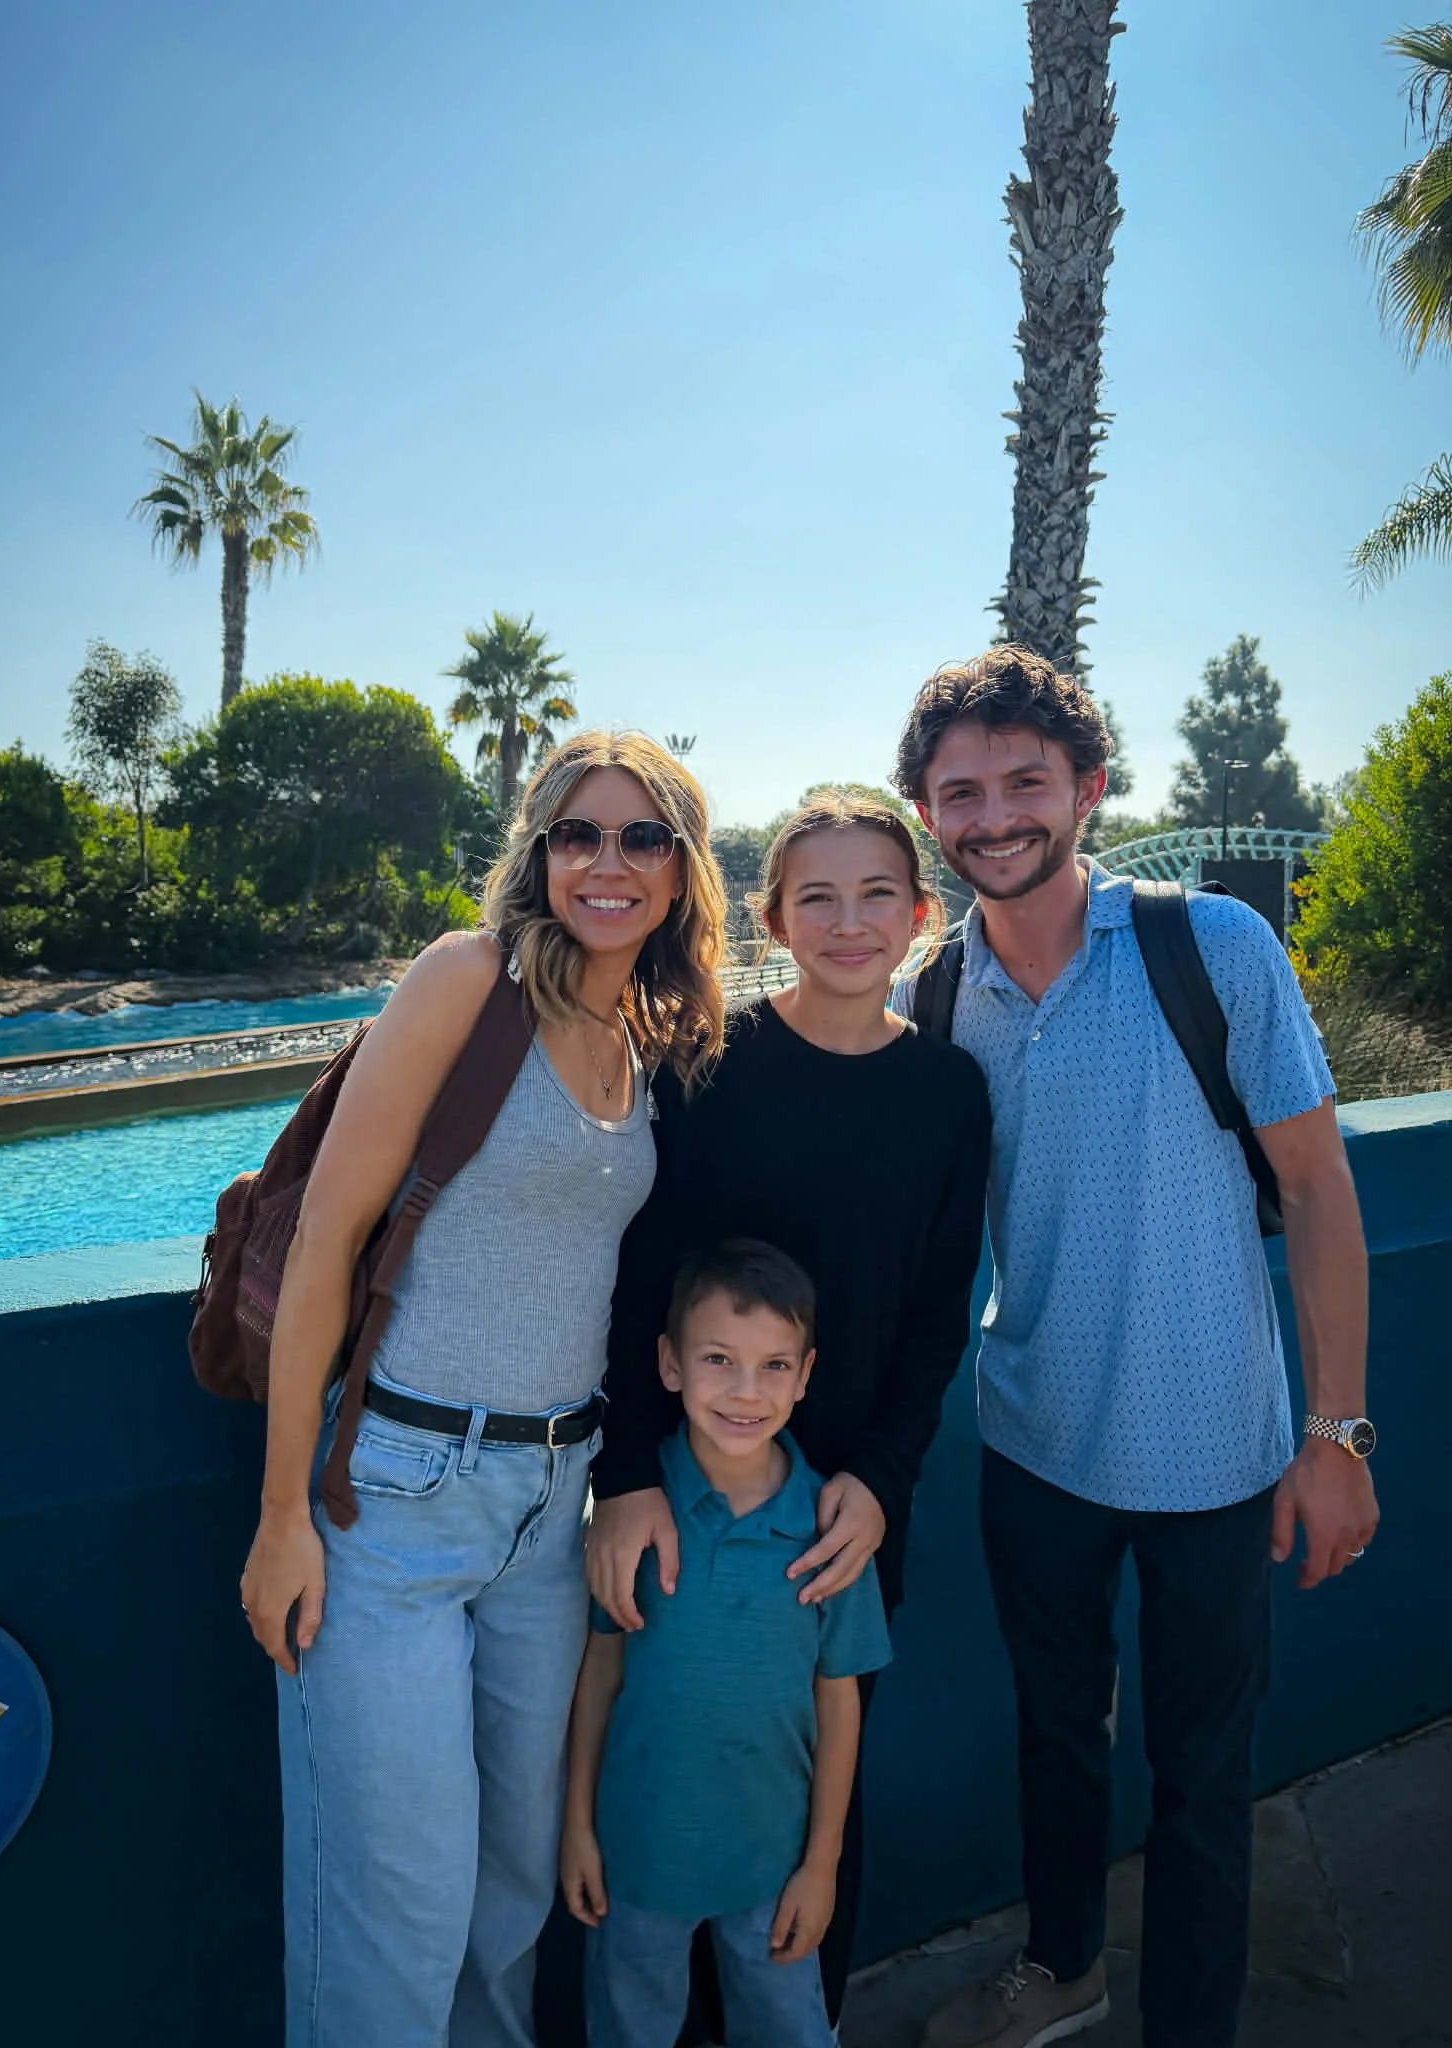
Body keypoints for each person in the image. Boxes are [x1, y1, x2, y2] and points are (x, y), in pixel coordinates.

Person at [884, 647, 1379, 2048]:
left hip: (1217, 1450)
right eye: (961, 793)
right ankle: (1063, 1973)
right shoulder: (936, 998)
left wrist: (1336, 1436)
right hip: (1033, 1444)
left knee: (1203, 1779)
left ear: (1088, 790)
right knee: (1054, 1740)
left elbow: (1320, 1192)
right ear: (933, 812)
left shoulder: (1212, 947)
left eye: (1024, 782)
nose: (993, 817)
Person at [237, 730, 729, 2048]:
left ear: (682, 872)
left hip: (550, 1513)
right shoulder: (469, 979)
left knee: (507, 1900)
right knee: (392, 1907)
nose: (606, 863)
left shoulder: (647, 1031)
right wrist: (285, 1514)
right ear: (539, 851)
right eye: (579, 833)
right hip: (394, 1500)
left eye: (641, 838)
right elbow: (329, 1241)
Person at [587, 789, 992, 2026]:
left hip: (843, 1516)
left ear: (922, 915)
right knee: (667, 1784)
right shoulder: (703, 1068)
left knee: (817, 1802)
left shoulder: (951, 1094)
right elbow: (634, 1280)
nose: (849, 919)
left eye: (879, 893)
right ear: (773, 917)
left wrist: (879, 1477)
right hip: (684, 1506)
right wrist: (624, 1476)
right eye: (817, 894)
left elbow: (935, 1320)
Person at [561, 1239, 892, 2048]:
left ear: (806, 1374)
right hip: (637, 1861)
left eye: (774, 1366)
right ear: (669, 1365)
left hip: (773, 1869)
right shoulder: (631, 1522)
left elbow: (840, 1703)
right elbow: (599, 1672)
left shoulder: (829, 1533)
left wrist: (822, 1868)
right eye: (718, 1359)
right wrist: (574, 1826)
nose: (747, 1392)